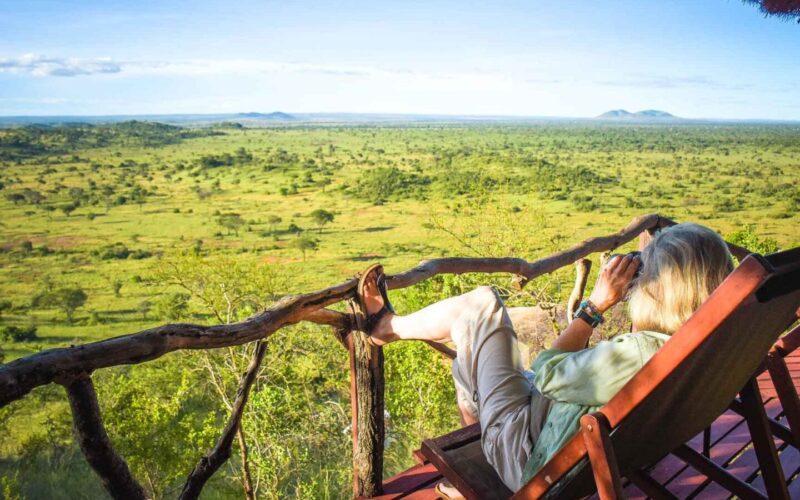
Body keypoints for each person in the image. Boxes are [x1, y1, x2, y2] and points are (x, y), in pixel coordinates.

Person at [356, 223, 735, 497]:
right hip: (592, 455)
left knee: (482, 304)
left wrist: (595, 306)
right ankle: (392, 329)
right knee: (471, 354)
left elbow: (546, 373)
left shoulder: (642, 353)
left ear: (661, 289)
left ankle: (387, 328)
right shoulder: (705, 345)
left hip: (531, 463)